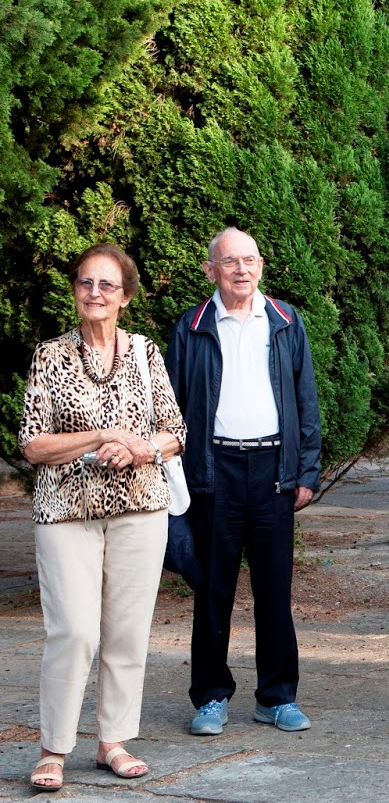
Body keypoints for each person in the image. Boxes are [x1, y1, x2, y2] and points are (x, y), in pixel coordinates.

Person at [19, 244, 186, 790]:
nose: (95, 293)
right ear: (75, 291)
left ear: (125, 297)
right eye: (86, 283)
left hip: (141, 508)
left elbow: (175, 433)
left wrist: (138, 449)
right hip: (65, 510)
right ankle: (53, 749)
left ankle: (112, 741)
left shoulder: (145, 352)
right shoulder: (49, 356)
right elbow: (33, 444)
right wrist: (100, 436)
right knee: (72, 631)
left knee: (127, 631)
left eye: (107, 285)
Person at [167, 228, 322, 736]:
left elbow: (306, 398)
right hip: (214, 472)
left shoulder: (285, 320)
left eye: (250, 260)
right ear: (210, 269)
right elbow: (171, 407)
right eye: (230, 261)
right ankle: (211, 696)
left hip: (273, 471)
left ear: (260, 266)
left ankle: (277, 697)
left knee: (274, 590)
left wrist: (306, 471)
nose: (241, 269)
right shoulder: (191, 326)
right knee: (213, 590)